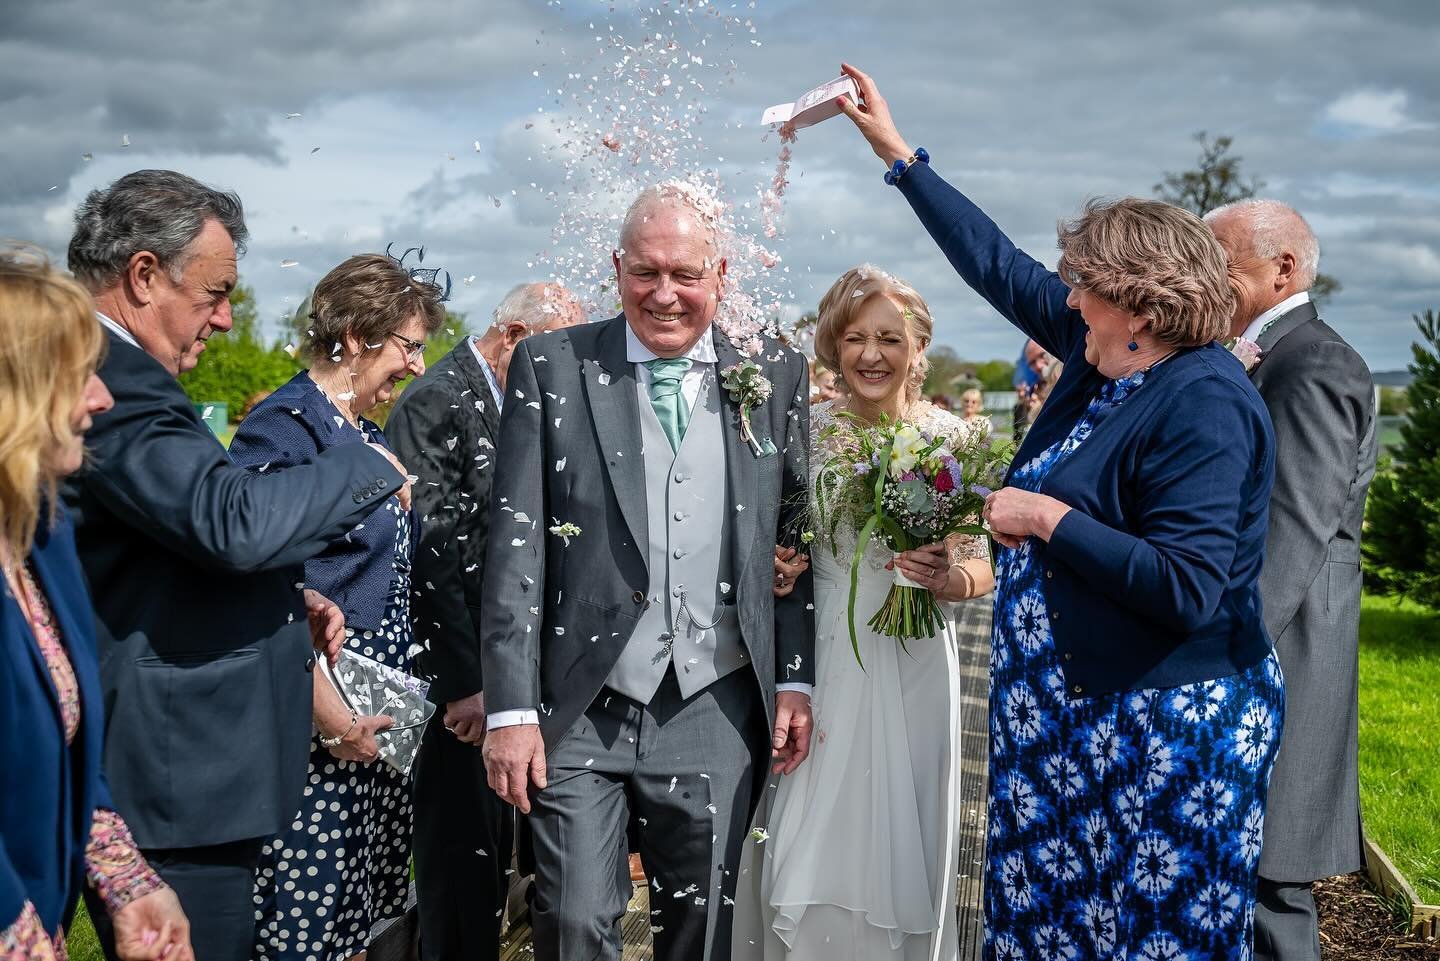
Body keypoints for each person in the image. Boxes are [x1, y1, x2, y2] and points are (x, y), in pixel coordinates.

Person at [837, 65, 1283, 960]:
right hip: (1066, 723)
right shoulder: (1100, 355)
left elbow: (1188, 585)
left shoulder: (1205, 400)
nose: (1064, 298)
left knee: (1148, 939)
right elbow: (995, 262)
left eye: (1084, 285)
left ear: (1143, 306)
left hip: (1160, 735)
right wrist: (896, 152)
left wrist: (1045, 518)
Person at [59, 170, 411, 961]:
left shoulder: (128, 376)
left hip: (190, 773)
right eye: (214, 293)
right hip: (179, 781)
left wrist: (284, 596)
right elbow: (231, 521)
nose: (224, 318)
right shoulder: (114, 384)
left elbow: (171, 537)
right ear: (144, 275)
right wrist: (370, 464)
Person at [478, 182, 816, 961]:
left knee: (703, 931)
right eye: (645, 273)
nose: (664, 295)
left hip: (715, 699)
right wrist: (509, 710)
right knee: (572, 920)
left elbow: (797, 538)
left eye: (685, 275)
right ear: (617, 267)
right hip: (578, 700)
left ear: (720, 273)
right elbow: (516, 546)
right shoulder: (552, 365)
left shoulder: (773, 373)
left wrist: (794, 675)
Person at [734, 265, 995, 961]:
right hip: (823, 655)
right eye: (855, 337)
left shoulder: (954, 436)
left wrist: (949, 578)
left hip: (916, 662)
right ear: (833, 344)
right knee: (808, 822)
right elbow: (775, 539)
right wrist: (780, 566)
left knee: (904, 825)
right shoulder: (803, 431)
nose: (872, 354)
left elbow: (981, 560)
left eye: (889, 337)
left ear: (917, 348)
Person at [227, 253, 445, 960]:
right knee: (302, 926)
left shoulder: (367, 435)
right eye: (408, 345)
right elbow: (257, 586)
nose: (416, 366)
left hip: (368, 730)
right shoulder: (285, 429)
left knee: (359, 927)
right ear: (354, 334)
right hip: (316, 730)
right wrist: (335, 720)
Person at [1, 247, 193, 961]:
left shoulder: (41, 533)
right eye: (78, 375)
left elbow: (67, 743)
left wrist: (124, 878)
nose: (102, 398)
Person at [386, 280, 583, 961]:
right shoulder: (436, 400)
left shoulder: (512, 398)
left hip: (508, 680)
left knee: (496, 857)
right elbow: (428, 552)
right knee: (458, 866)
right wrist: (466, 684)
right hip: (460, 690)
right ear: (519, 339)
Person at [1205, 200, 1376, 961]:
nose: (1207, 279)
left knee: (1273, 886)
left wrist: (1216, 656)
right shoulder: (1269, 352)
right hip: (1271, 651)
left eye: (1222, 263)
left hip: (1285, 654)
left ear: (1282, 269)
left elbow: (1292, 534)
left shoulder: (1312, 361)